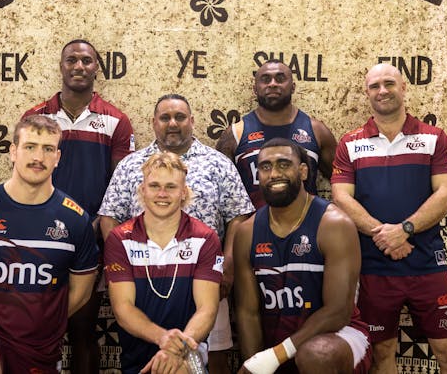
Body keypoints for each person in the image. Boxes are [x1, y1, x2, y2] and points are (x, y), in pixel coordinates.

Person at [98, 94, 254, 373]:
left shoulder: (218, 162)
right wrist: (119, 254)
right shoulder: (131, 164)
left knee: (212, 351)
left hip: (205, 272)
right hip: (141, 273)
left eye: (180, 117)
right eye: (165, 117)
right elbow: (109, 214)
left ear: (192, 121)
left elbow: (239, 215)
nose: (173, 123)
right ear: (153, 123)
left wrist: (227, 264)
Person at [331, 63, 447, 374]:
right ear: (366, 94)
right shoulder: (349, 143)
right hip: (374, 267)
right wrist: (386, 236)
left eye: (389, 83)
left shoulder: (434, 138)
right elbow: (341, 197)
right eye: (374, 86)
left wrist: (405, 230)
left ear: (403, 88)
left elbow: (446, 195)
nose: (382, 91)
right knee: (382, 353)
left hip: (427, 264)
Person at [0, 115, 99, 374]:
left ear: (57, 157)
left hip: (40, 343)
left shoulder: (75, 220)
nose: (38, 157)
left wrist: (43, 322)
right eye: (30, 147)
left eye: (48, 149)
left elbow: (80, 293)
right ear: (13, 152)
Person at [23, 39, 134, 373]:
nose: (79, 66)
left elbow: (121, 184)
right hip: (40, 236)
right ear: (61, 66)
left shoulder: (116, 120)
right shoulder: (36, 117)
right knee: (38, 330)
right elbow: (26, 175)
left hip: (91, 238)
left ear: (96, 67)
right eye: (71, 60)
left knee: (83, 331)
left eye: (87, 60)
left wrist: (101, 223)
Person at [234, 138, 371, 374]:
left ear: (303, 171)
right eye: (265, 167)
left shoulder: (333, 224)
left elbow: (338, 312)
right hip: (280, 343)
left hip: (338, 336)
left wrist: (276, 355)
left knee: (316, 355)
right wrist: (256, 363)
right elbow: (248, 312)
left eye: (284, 164)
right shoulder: (247, 232)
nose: (274, 173)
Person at [104, 152, 223, 373]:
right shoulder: (120, 239)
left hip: (189, 355)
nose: (162, 194)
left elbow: (207, 308)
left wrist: (175, 349)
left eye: (171, 187)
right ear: (142, 190)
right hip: (137, 360)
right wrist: (164, 338)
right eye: (154, 186)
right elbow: (123, 309)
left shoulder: (205, 238)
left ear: (183, 192)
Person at [216, 60, 337, 208]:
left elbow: (342, 181)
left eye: (280, 79)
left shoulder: (317, 131)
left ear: (292, 87)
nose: (273, 84)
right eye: (265, 79)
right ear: (255, 88)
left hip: (307, 225)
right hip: (253, 227)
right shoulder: (235, 133)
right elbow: (219, 189)